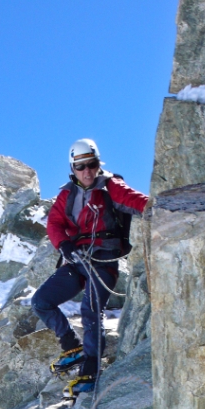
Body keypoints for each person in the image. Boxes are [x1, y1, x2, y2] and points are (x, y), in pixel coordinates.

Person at [31, 138, 148, 395]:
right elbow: (54, 224)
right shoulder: (66, 195)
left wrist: (159, 207)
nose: (86, 171)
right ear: (72, 168)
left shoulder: (110, 187)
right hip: (77, 260)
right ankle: (72, 346)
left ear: (98, 164)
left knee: (91, 308)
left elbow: (135, 200)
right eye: (80, 166)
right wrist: (64, 245)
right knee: (41, 301)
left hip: (104, 261)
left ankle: (91, 369)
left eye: (91, 164)